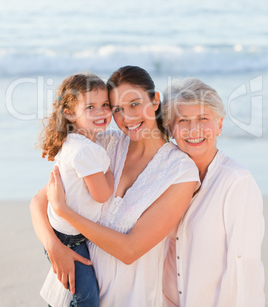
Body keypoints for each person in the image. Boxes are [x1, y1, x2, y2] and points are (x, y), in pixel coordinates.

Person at [30, 66, 200, 307]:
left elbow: (130, 250)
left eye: (134, 104)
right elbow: (39, 201)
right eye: (117, 109)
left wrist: (64, 212)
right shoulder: (102, 144)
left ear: (154, 101)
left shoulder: (180, 171)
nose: (127, 117)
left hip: (128, 298)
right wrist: (52, 245)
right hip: (69, 293)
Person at [162, 77, 265, 307]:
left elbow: (244, 268)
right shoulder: (164, 177)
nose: (193, 129)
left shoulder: (237, 182)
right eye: (183, 120)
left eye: (203, 119)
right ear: (170, 129)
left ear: (219, 124)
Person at [39, 73, 114, 307]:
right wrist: (109, 171)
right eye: (91, 107)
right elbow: (101, 194)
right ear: (70, 113)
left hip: (63, 231)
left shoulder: (74, 142)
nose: (101, 112)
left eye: (105, 105)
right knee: (85, 297)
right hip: (69, 238)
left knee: (68, 289)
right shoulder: (86, 151)